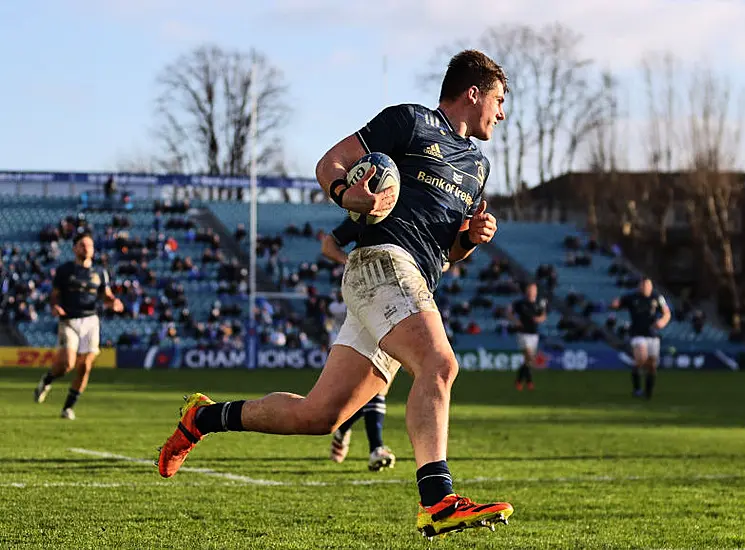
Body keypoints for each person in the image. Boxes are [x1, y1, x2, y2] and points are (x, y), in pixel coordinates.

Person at [157, 50, 513, 538]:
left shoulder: (478, 166)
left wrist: (470, 237)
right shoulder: (410, 122)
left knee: (319, 416)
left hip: (413, 278)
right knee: (440, 363)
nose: (501, 112)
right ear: (474, 93)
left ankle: (203, 417)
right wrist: (348, 193)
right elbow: (332, 161)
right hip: (383, 263)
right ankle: (437, 499)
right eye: (498, 99)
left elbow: (448, 252)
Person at [321, 216, 396, 472]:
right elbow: (328, 245)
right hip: (369, 309)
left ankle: (350, 433)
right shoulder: (369, 213)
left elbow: (443, 262)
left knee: (375, 389)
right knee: (369, 390)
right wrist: (350, 263)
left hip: (401, 308)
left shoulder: (417, 210)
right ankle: (373, 445)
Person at [33, 232, 124, 419]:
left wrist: (114, 301)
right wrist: (55, 306)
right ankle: (47, 380)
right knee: (67, 364)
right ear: (74, 248)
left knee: (85, 366)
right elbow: (54, 294)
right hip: (69, 320)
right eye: (82, 245)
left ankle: (67, 408)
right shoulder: (65, 270)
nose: (87, 248)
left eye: (89, 245)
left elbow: (105, 295)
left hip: (90, 321)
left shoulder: (99, 272)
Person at [611, 277, 670, 399]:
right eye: (643, 286)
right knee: (641, 358)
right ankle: (637, 389)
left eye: (647, 286)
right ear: (639, 286)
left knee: (652, 365)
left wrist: (662, 322)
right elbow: (617, 303)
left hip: (652, 334)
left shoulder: (657, 298)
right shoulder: (632, 297)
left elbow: (667, 313)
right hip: (637, 333)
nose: (645, 288)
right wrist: (615, 304)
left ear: (651, 286)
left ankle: (648, 392)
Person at [508, 281, 547, 391]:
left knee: (528, 361)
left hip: (534, 334)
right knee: (529, 357)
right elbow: (508, 312)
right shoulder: (520, 303)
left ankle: (519, 381)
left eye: (533, 290)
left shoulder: (539, 303)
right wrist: (515, 321)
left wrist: (539, 319)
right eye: (530, 289)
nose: (531, 292)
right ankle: (529, 382)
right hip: (523, 334)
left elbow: (543, 316)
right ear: (526, 291)